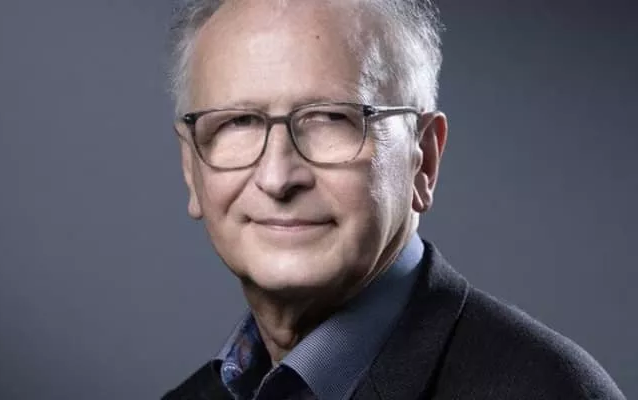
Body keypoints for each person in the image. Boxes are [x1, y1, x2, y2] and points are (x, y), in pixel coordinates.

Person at [161, 0, 625, 399]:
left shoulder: (552, 390)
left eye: (331, 118)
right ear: (190, 168)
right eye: (238, 122)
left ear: (424, 159)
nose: (278, 177)